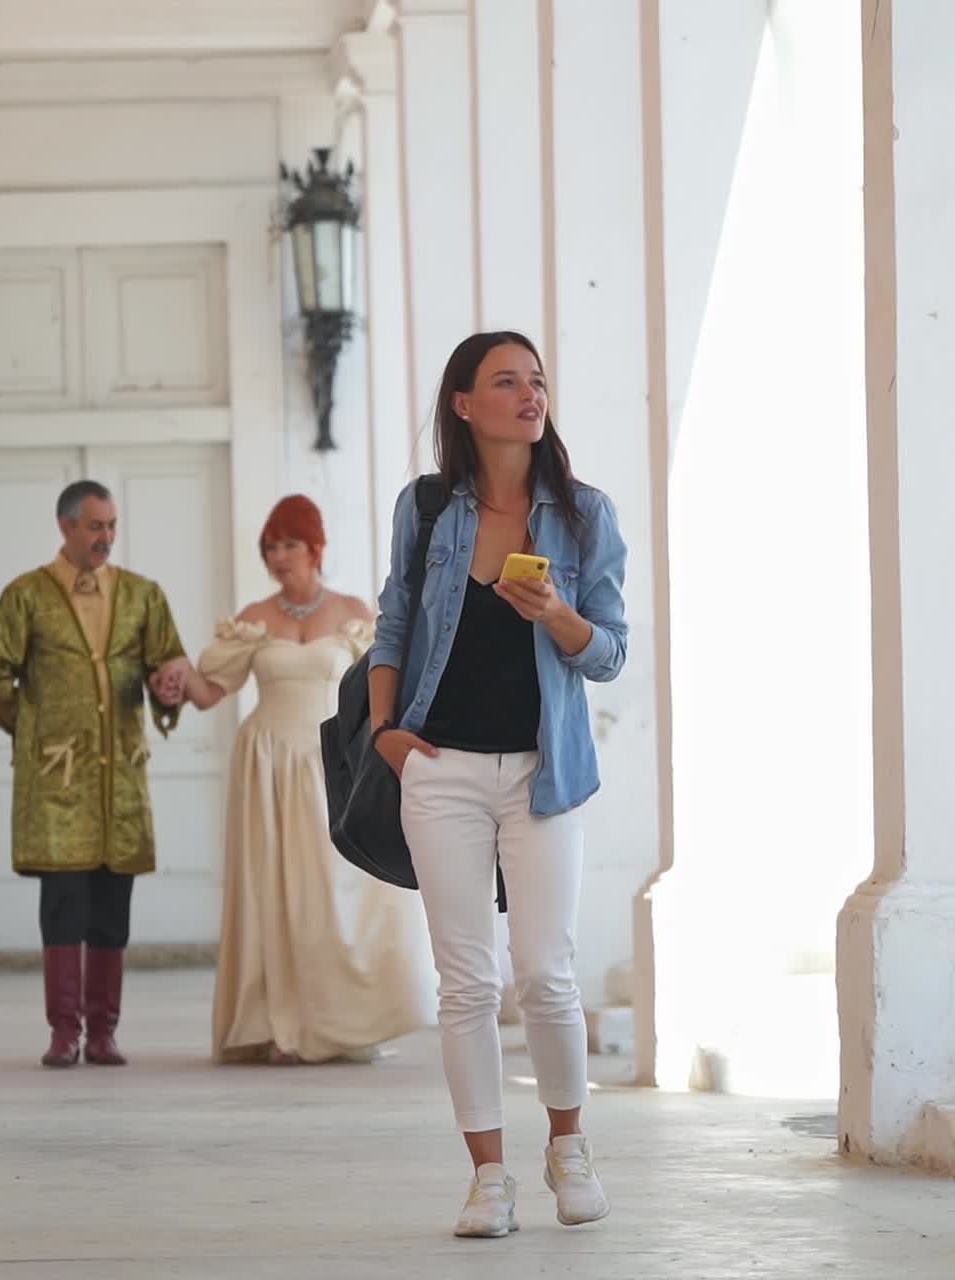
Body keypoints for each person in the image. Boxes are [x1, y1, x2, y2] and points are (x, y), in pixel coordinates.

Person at [367, 332, 627, 1236]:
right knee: (466, 982)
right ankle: (488, 1178)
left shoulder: (585, 514)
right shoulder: (429, 508)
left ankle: (568, 1147)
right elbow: (393, 622)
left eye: (538, 380)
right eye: (506, 381)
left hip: (543, 772)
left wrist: (557, 613)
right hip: (439, 769)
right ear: (464, 404)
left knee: (546, 973)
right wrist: (387, 735)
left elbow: (611, 654)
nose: (529, 394)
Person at [166, 495, 436, 1064]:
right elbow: (211, 691)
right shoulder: (255, 620)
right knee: (274, 889)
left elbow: (388, 681)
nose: (278, 555)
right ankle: (276, 1022)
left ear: (315, 548)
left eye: (290, 543)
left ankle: (344, 1022)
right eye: (270, 546)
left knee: (339, 890)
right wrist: (172, 674)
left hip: (331, 764)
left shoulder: (353, 612)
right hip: (267, 763)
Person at [0, 480, 189, 1069]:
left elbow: (166, 667)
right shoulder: (25, 596)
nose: (106, 537)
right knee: (63, 903)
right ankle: (63, 1031)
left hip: (120, 774)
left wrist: (167, 690)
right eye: (95, 526)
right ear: (66, 527)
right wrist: (36, 733)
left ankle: (104, 1031)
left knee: (112, 904)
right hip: (58, 784)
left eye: (112, 525)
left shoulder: (144, 596)